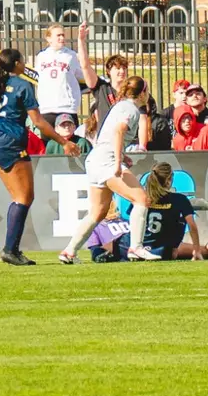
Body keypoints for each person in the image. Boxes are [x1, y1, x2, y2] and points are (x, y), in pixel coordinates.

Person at [0, 47, 79, 266]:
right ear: (16, 63)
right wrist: (63, 141)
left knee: (18, 198)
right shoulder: (23, 85)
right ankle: (10, 250)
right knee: (24, 198)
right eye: (23, 60)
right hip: (11, 142)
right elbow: (38, 122)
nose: (25, 64)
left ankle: (11, 249)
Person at [57, 75, 152, 265]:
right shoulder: (131, 109)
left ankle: (69, 251)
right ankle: (136, 247)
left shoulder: (120, 105)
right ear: (142, 93)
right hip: (106, 163)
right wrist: (118, 162)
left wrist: (122, 156)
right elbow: (119, 131)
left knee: (98, 212)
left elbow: (109, 135)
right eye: (147, 89)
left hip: (96, 160)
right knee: (142, 199)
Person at [124, 162, 204, 261]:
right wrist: (196, 250)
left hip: (140, 246)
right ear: (169, 180)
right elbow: (191, 225)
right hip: (164, 250)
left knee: (114, 243)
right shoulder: (180, 199)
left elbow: (132, 222)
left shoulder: (142, 198)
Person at [32, 23, 97, 126]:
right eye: (58, 35)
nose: (62, 38)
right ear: (49, 38)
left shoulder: (71, 55)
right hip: (47, 107)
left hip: (67, 107)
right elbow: (37, 78)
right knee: (48, 142)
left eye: (63, 35)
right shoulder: (41, 56)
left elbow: (81, 74)